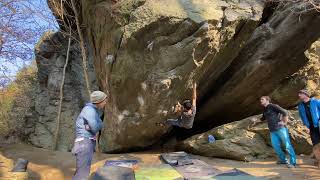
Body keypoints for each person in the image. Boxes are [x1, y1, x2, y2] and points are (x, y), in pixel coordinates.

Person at [72, 91, 107, 180]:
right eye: (104, 101)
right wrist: (98, 124)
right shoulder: (89, 110)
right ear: (99, 101)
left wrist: (95, 125)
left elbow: (98, 125)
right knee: (82, 174)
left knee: (82, 172)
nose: (105, 103)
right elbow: (96, 127)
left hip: (86, 142)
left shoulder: (94, 110)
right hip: (84, 143)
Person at [254, 96, 297, 168]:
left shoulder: (273, 106)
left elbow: (285, 112)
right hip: (272, 131)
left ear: (267, 100)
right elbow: (262, 118)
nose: (260, 101)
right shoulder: (264, 109)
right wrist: (255, 120)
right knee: (275, 146)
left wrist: (284, 122)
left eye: (262, 99)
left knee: (287, 145)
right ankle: (283, 160)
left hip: (280, 129)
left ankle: (293, 163)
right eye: (260, 99)